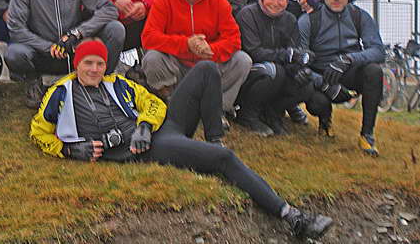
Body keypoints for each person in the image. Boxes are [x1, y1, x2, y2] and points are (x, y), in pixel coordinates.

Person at [30, 40, 333, 240]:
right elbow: (38, 131)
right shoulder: (61, 92)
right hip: (144, 148)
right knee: (225, 160)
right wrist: (68, 149)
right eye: (88, 64)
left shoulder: (116, 83)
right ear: (77, 65)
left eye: (99, 63)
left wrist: (145, 124)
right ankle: (293, 217)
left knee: (206, 68)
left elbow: (153, 102)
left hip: (155, 130)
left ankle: (214, 140)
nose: (95, 69)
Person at [140, 0, 251, 119]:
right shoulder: (163, 1)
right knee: (152, 58)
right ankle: (172, 103)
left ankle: (216, 109)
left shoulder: (218, 2)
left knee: (242, 60)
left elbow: (234, 40)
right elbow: (149, 37)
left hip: (209, 68)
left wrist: (210, 49)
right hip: (177, 68)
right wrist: (186, 44)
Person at [235, 0, 339, 136]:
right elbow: (253, 51)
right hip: (251, 71)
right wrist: (288, 55)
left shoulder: (289, 19)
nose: (276, 3)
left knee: (304, 83)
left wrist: (302, 63)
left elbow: (294, 52)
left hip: (279, 69)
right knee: (274, 71)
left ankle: (273, 113)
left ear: (286, 0)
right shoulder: (247, 14)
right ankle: (247, 114)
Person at [298, 0, 385, 156]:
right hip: (322, 76)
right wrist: (323, 84)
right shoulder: (308, 21)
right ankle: (325, 121)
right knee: (316, 102)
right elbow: (299, 62)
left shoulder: (359, 16)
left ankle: (367, 135)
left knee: (374, 71)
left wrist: (348, 59)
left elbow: (378, 51)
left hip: (350, 70)